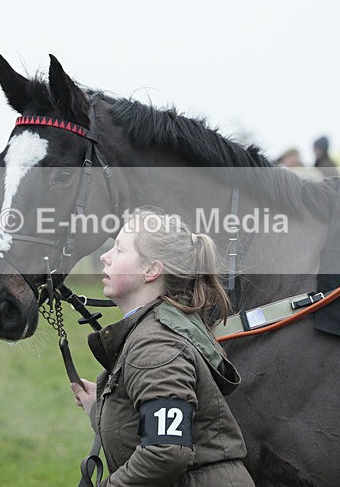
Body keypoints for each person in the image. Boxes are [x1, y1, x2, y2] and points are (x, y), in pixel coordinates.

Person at [70, 207, 254, 486]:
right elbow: (155, 430)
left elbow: (166, 452)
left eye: (119, 250)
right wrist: (102, 408)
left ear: (151, 270)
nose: (104, 257)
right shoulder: (152, 332)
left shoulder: (156, 344)